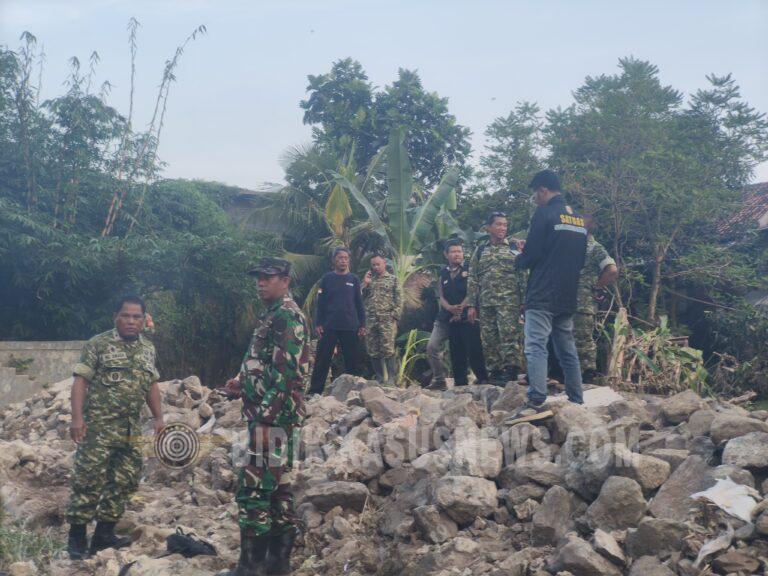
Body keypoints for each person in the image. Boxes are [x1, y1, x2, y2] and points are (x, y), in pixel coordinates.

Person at [221, 257, 310, 576]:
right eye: (258, 277)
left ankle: (251, 567)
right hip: (273, 415)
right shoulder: (273, 313)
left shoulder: (286, 315)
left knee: (253, 491)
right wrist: (241, 382)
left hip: (274, 419)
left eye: (268, 277)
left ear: (285, 280)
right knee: (278, 490)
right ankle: (277, 565)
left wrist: (264, 421)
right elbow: (266, 365)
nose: (260, 282)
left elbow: (287, 375)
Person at [66, 295, 164, 559]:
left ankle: (103, 536)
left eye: (136, 317)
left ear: (144, 320)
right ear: (115, 317)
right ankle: (76, 541)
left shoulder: (147, 349)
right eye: (126, 315)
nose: (131, 321)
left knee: (124, 481)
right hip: (98, 428)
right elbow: (80, 381)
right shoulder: (98, 344)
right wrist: (77, 418)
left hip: (131, 430)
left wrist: (159, 418)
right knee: (88, 480)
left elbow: (152, 384)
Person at [508, 170, 587, 421]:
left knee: (536, 346)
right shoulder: (579, 220)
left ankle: (536, 399)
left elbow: (532, 255)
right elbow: (581, 259)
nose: (535, 198)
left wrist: (517, 258)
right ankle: (576, 399)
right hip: (567, 293)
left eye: (535, 193)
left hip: (542, 293)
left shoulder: (544, 213)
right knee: (566, 348)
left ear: (543, 190)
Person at [466, 212, 526, 384]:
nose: (502, 228)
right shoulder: (480, 250)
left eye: (505, 225)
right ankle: (495, 371)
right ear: (488, 227)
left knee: (509, 337)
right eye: (498, 224)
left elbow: (522, 275)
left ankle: (511, 370)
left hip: (509, 302)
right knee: (489, 339)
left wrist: (524, 301)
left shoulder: (514, 248)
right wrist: (471, 304)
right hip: (486, 303)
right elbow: (473, 277)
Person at [426, 238, 488, 390]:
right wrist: (449, 308)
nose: (457, 254)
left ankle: (483, 379)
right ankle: (458, 383)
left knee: (474, 348)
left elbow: (474, 289)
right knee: (455, 350)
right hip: (449, 317)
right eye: (453, 252)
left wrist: (462, 307)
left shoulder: (470, 268)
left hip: (468, 315)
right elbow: (441, 295)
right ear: (446, 255)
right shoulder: (443, 272)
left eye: (459, 251)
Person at [308, 247, 366, 395]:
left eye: (346, 258)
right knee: (322, 360)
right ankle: (315, 391)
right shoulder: (327, 279)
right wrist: (318, 323)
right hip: (329, 326)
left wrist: (362, 325)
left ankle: (355, 392)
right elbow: (320, 304)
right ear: (334, 260)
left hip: (350, 326)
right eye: (340, 258)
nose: (343, 260)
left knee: (352, 360)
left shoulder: (354, 280)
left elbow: (359, 304)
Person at [575, 215, 618, 382]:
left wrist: (598, 286)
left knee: (583, 338)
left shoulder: (594, 248)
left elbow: (612, 270)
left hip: (584, 302)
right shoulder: (576, 247)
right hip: (570, 301)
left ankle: (588, 374)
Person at [362, 254, 402, 385]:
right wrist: (366, 284)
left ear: (384, 263)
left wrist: (395, 316)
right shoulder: (368, 281)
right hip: (371, 320)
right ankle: (379, 377)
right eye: (373, 265)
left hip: (387, 320)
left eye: (378, 264)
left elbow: (399, 299)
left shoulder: (393, 279)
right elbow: (360, 298)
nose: (376, 267)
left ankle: (391, 378)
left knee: (388, 348)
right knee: (373, 349)